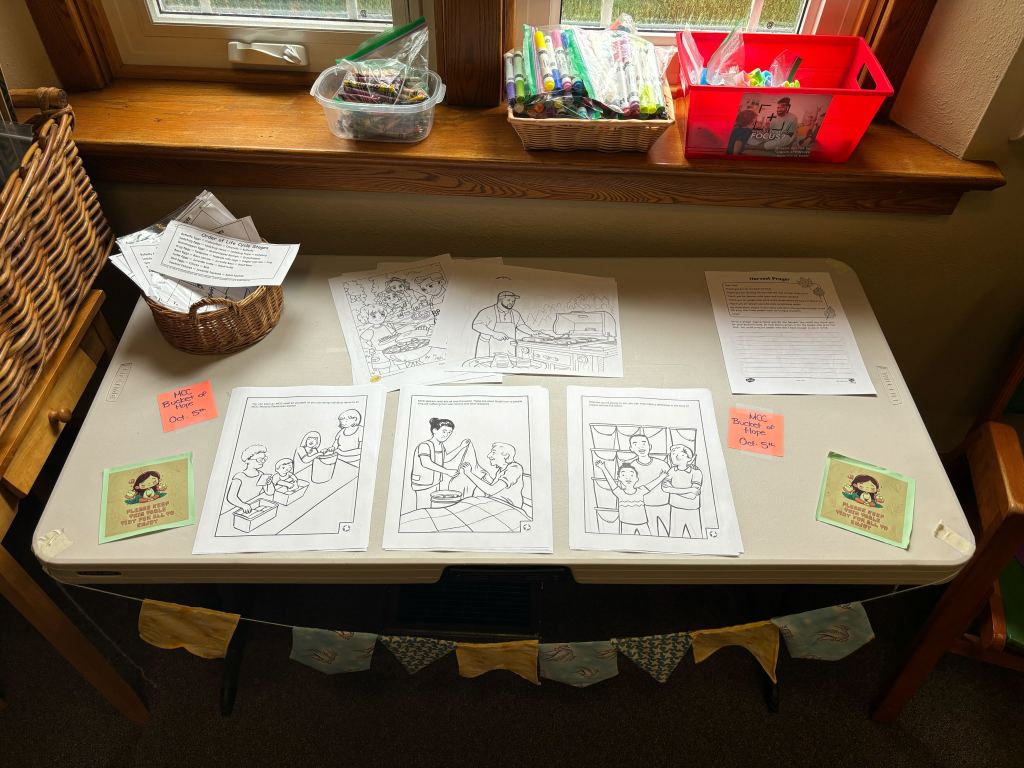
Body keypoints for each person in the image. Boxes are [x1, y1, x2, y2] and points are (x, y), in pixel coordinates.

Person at [410, 418, 471, 508]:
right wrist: (447, 471)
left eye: (449, 432)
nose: (446, 435)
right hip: (423, 483)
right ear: (435, 430)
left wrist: (461, 447)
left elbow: (445, 458)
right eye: (444, 431)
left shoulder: (441, 446)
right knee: (423, 508)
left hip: (434, 482)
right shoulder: (424, 445)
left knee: (431, 508)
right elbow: (426, 463)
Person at [471, 291, 544, 358]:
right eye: (508, 300)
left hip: (508, 347)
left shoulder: (515, 313)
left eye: (513, 301)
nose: (511, 302)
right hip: (488, 348)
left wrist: (532, 332)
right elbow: (476, 325)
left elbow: (521, 325)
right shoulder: (488, 311)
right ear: (500, 300)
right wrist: (495, 334)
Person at [459, 442, 525, 511]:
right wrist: (488, 479)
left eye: (493, 453)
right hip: (495, 503)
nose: (489, 455)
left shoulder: (514, 468)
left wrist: (469, 473)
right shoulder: (501, 470)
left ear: (506, 456)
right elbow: (499, 488)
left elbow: (492, 490)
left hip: (508, 507)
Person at [626, 434, 670, 535]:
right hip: (644, 507)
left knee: (669, 530)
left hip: (665, 504)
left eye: (643, 443)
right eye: (635, 444)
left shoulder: (662, 464)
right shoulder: (631, 467)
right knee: (652, 533)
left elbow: (670, 483)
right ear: (631, 448)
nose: (640, 446)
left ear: (650, 446)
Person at [596, 460, 651, 535]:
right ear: (619, 478)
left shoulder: (641, 491)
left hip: (643, 523)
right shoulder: (619, 493)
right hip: (626, 524)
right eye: (623, 475)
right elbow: (611, 482)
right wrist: (603, 467)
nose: (628, 478)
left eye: (631, 475)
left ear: (637, 478)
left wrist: (662, 476)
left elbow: (651, 485)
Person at [662, 444, 703, 538]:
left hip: (692, 509)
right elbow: (664, 488)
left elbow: (692, 496)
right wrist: (690, 489)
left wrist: (672, 490)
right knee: (674, 535)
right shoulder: (672, 470)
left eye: (680, 454)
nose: (675, 456)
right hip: (675, 508)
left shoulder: (696, 472)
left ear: (689, 458)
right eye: (673, 454)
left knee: (696, 535)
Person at [226, 444, 274, 513]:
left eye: (264, 459)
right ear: (247, 460)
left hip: (254, 506)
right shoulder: (239, 477)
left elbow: (269, 492)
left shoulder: (261, 474)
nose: (263, 461)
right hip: (239, 508)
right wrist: (243, 505)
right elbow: (231, 497)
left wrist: (269, 483)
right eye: (259, 459)